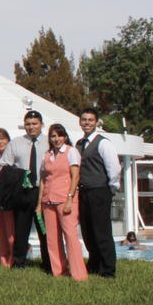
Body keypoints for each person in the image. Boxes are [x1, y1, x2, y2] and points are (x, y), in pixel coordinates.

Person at [0, 110, 50, 271]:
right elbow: (4, 165)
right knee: (21, 230)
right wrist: (18, 175)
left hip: (44, 191)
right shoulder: (15, 143)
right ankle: (19, 263)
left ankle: (48, 263)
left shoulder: (50, 142)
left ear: (42, 125)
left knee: (45, 230)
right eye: (28, 124)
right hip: (23, 191)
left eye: (34, 124)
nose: (31, 127)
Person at [37, 123, 87, 282]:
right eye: (53, 136)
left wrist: (70, 198)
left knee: (70, 236)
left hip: (66, 199)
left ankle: (79, 274)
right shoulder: (47, 155)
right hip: (48, 200)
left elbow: (76, 176)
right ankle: (59, 271)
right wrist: (39, 203)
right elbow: (43, 179)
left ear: (64, 137)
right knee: (52, 238)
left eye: (59, 135)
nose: (56, 139)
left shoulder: (71, 152)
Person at [76, 108, 121, 278]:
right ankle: (94, 264)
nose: (87, 122)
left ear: (96, 122)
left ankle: (108, 269)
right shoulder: (79, 144)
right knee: (87, 231)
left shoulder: (103, 143)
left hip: (99, 191)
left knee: (101, 231)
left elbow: (114, 168)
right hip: (84, 192)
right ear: (80, 122)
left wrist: (111, 188)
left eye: (90, 120)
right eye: (84, 119)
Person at [0, 128, 15, 268]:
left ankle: (13, 257)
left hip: (10, 199)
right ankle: (3, 258)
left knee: (11, 230)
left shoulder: (12, 157)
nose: (0, 142)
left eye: (2, 138)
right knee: (1, 230)